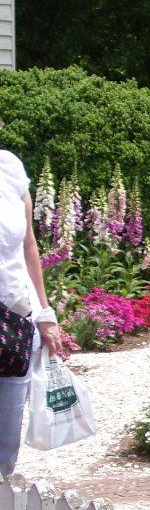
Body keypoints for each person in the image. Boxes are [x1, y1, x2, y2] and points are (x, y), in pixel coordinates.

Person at [0, 140, 64, 477]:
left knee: (6, 437)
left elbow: (28, 246)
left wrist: (44, 313)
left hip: (14, 321)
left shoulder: (9, 167)